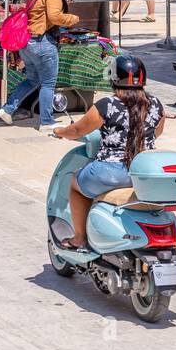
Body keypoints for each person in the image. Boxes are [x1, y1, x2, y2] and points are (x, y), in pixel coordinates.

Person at [51, 53, 165, 250]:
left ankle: (79, 238)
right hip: (143, 173)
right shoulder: (155, 104)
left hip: (111, 173)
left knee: (74, 182)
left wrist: (60, 131)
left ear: (113, 77)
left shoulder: (107, 105)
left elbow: (78, 130)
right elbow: (157, 132)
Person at [0, 0, 80, 133]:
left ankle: (7, 109)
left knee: (32, 80)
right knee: (48, 83)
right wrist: (72, 18)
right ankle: (47, 122)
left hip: (28, 43)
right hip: (42, 43)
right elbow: (55, 17)